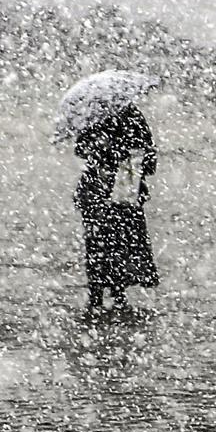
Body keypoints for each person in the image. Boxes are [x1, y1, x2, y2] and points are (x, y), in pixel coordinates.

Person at [73, 102, 159, 311]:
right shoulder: (101, 119)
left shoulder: (123, 118)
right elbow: (81, 149)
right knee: (105, 243)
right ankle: (101, 293)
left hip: (120, 192)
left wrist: (127, 155)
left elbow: (149, 160)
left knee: (113, 243)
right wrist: (106, 149)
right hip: (105, 193)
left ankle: (112, 292)